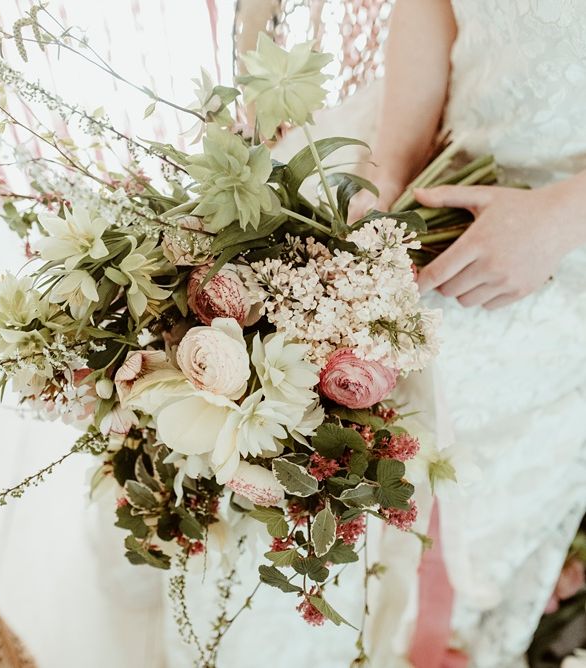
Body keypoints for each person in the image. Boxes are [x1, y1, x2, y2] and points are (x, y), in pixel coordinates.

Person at [163, 2, 586, 667]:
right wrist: (390, 168)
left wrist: (565, 216)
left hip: (561, 264)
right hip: (429, 144)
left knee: (460, 502)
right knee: (276, 446)